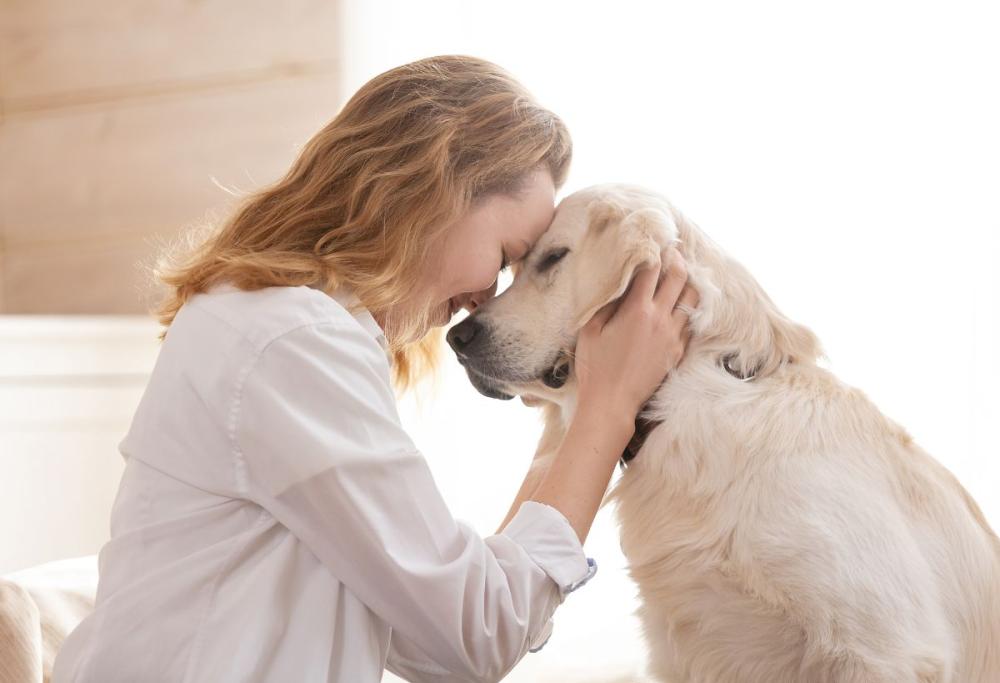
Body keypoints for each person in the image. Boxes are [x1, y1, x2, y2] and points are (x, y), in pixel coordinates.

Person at [51, 55, 697, 682]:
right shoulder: (291, 341)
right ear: (432, 186)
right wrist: (608, 411)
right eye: (504, 256)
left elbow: (434, 640)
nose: (485, 299)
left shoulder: (276, 326)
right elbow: (475, 636)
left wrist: (576, 417)